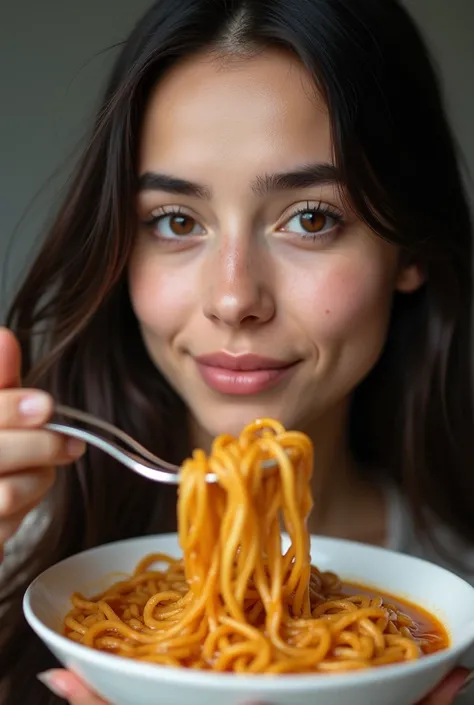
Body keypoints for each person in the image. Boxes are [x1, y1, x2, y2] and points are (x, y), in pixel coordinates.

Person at [0, 0, 473, 702]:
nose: (233, 298)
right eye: (176, 220)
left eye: (311, 218)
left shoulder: (455, 579)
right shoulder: (22, 549)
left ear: (410, 249)